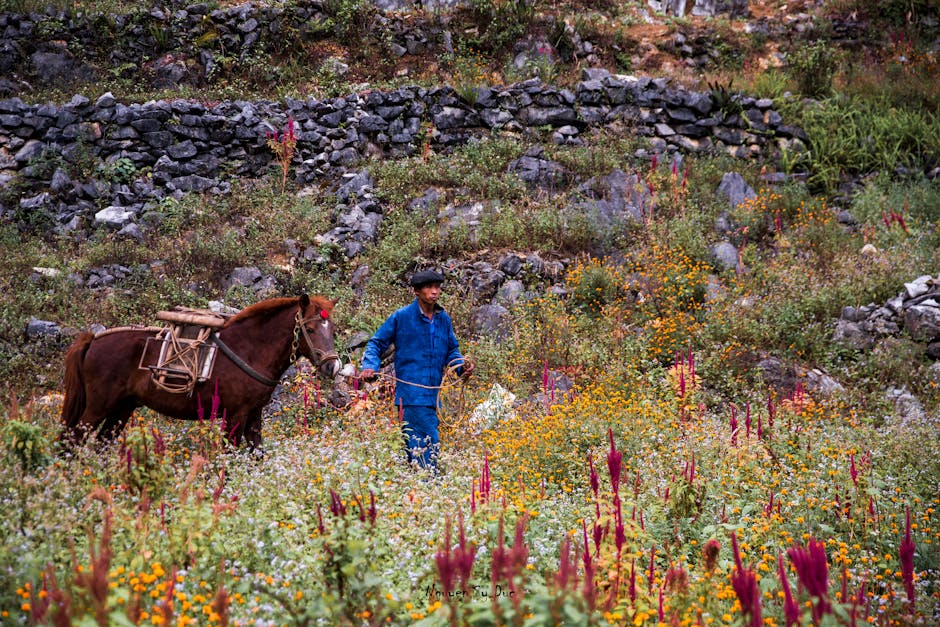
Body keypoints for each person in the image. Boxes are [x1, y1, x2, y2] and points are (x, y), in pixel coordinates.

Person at [359, 269, 474, 472]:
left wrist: (460, 367)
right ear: (416, 291)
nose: (435, 292)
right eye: (429, 287)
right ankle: (430, 488)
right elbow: (376, 343)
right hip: (411, 395)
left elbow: (451, 350)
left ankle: (416, 489)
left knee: (415, 447)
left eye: (437, 287)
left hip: (432, 395)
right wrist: (369, 366)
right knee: (428, 443)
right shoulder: (401, 317)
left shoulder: (443, 318)